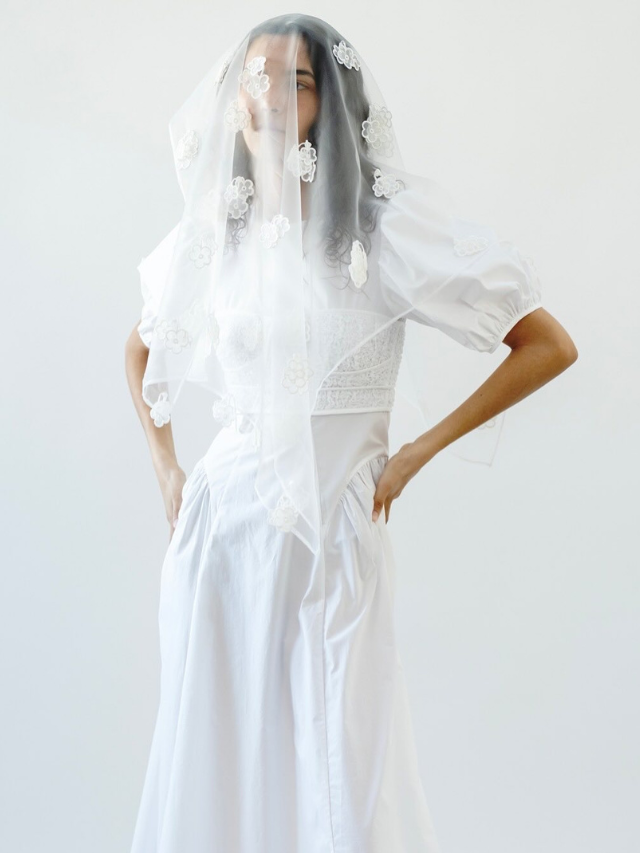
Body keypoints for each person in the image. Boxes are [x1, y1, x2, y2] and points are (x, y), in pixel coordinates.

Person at [124, 13, 577, 853]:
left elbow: (547, 344)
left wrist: (414, 454)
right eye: (254, 78)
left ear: (330, 105)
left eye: (295, 81)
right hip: (221, 540)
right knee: (215, 755)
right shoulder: (219, 231)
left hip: (332, 541)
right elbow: (142, 345)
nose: (267, 96)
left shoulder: (380, 232)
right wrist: (168, 470)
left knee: (343, 774)